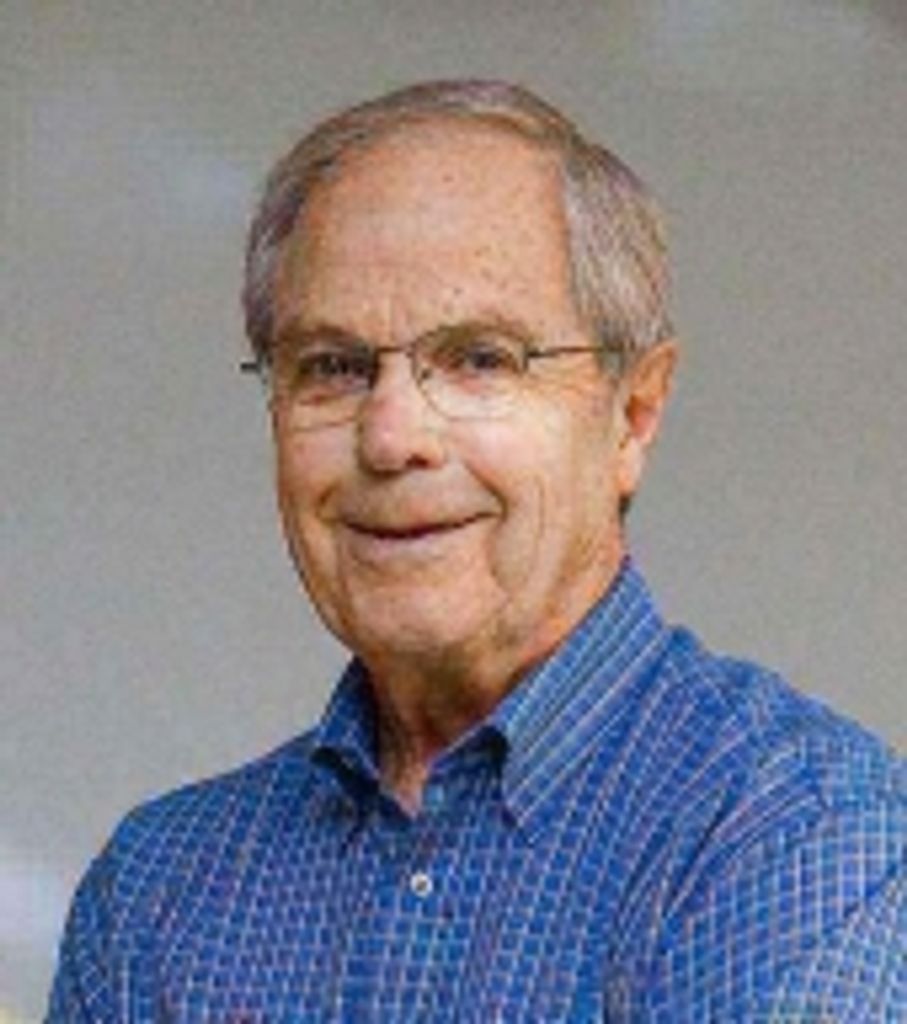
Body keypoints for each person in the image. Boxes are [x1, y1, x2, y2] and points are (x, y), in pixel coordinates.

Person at [48, 80, 904, 1022]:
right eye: (333, 367)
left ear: (632, 413)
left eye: (479, 359)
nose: (391, 438)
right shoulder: (154, 898)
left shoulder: (802, 834)